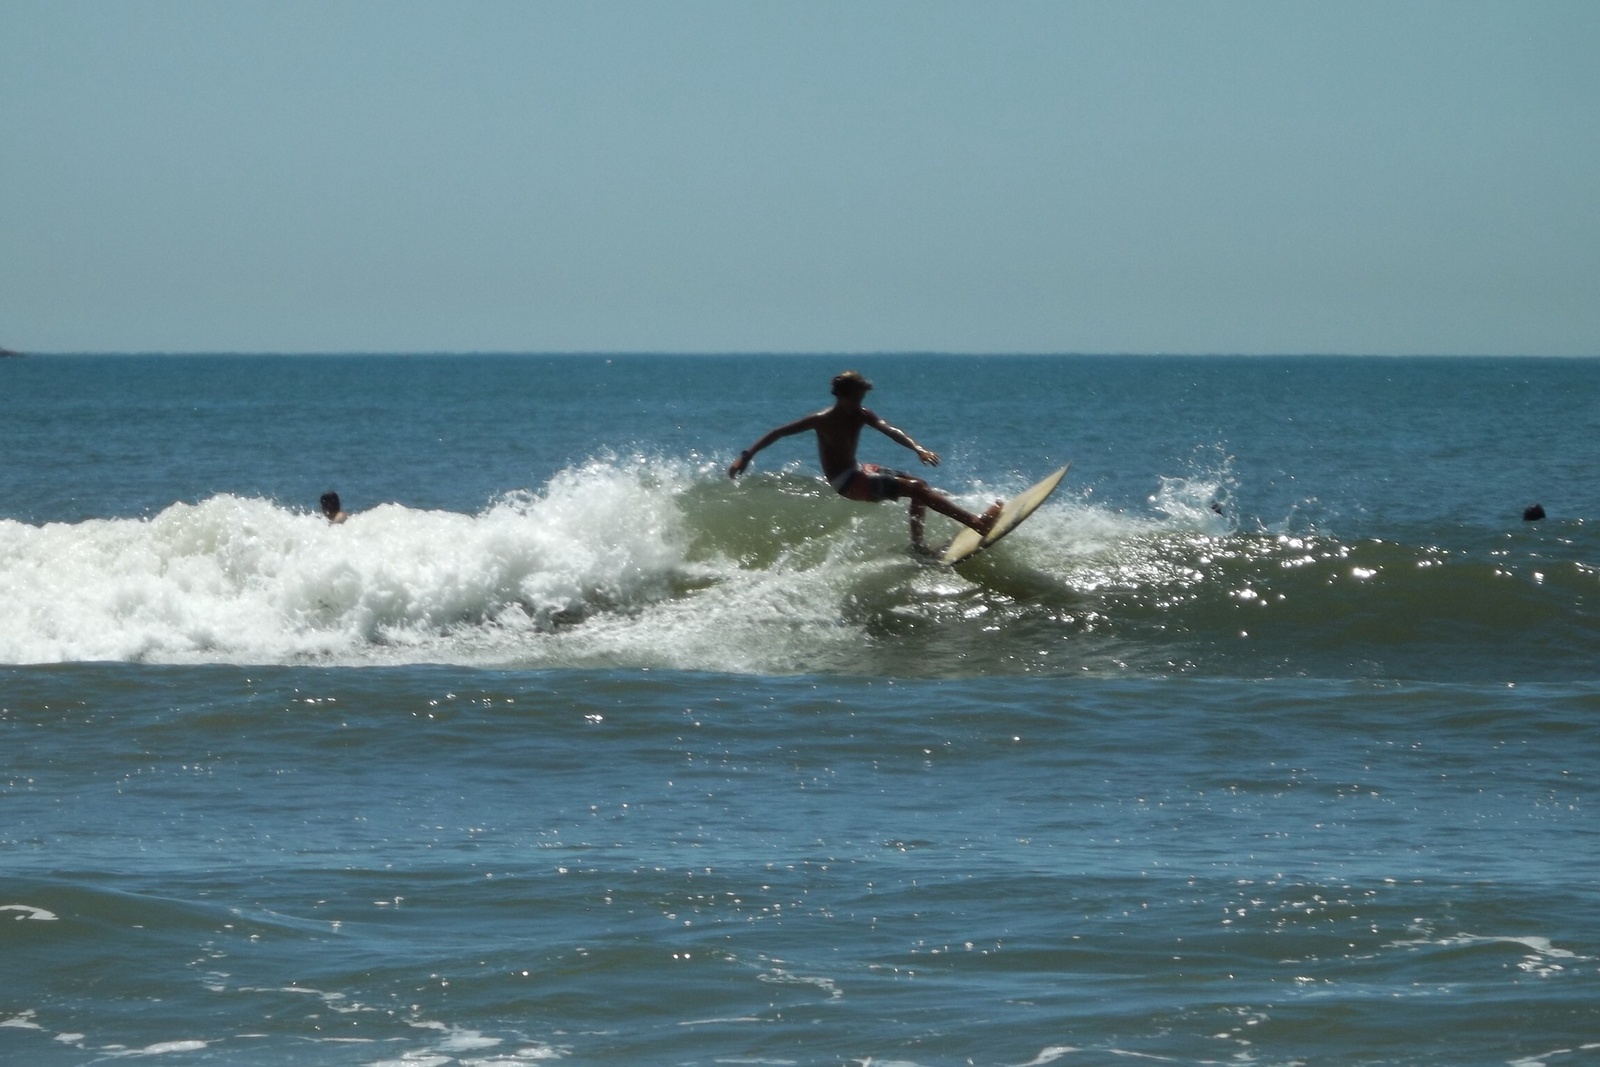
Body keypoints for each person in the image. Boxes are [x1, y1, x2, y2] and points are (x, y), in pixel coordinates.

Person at [728, 370, 1001, 552]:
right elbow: (778, 433)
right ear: (842, 396)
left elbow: (889, 430)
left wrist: (918, 449)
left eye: (863, 398)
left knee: (919, 484)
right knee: (917, 490)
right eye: (857, 397)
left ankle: (917, 547)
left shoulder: (861, 414)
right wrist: (746, 457)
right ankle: (976, 523)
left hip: (859, 470)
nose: (860, 403)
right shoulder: (822, 420)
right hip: (847, 482)